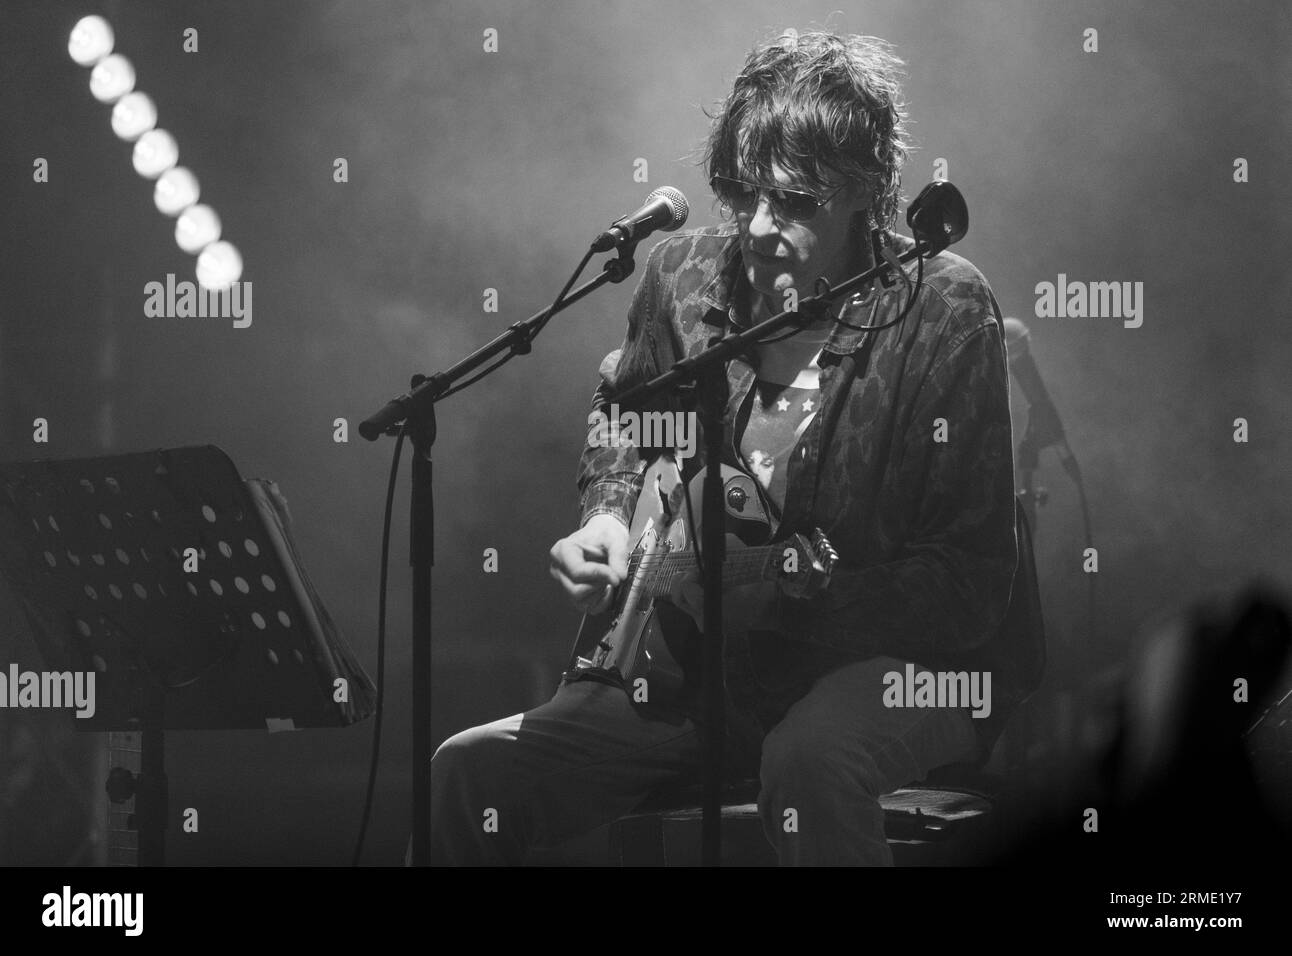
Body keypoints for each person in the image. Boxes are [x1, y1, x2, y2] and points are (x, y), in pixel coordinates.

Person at [430, 28, 1019, 866]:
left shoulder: (943, 307)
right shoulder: (682, 276)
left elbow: (970, 582)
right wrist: (603, 518)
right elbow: (628, 413)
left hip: (902, 669)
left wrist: (788, 601)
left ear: (867, 191)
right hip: (698, 678)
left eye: (798, 202)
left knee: (813, 758)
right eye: (743, 195)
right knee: (469, 773)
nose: (760, 227)